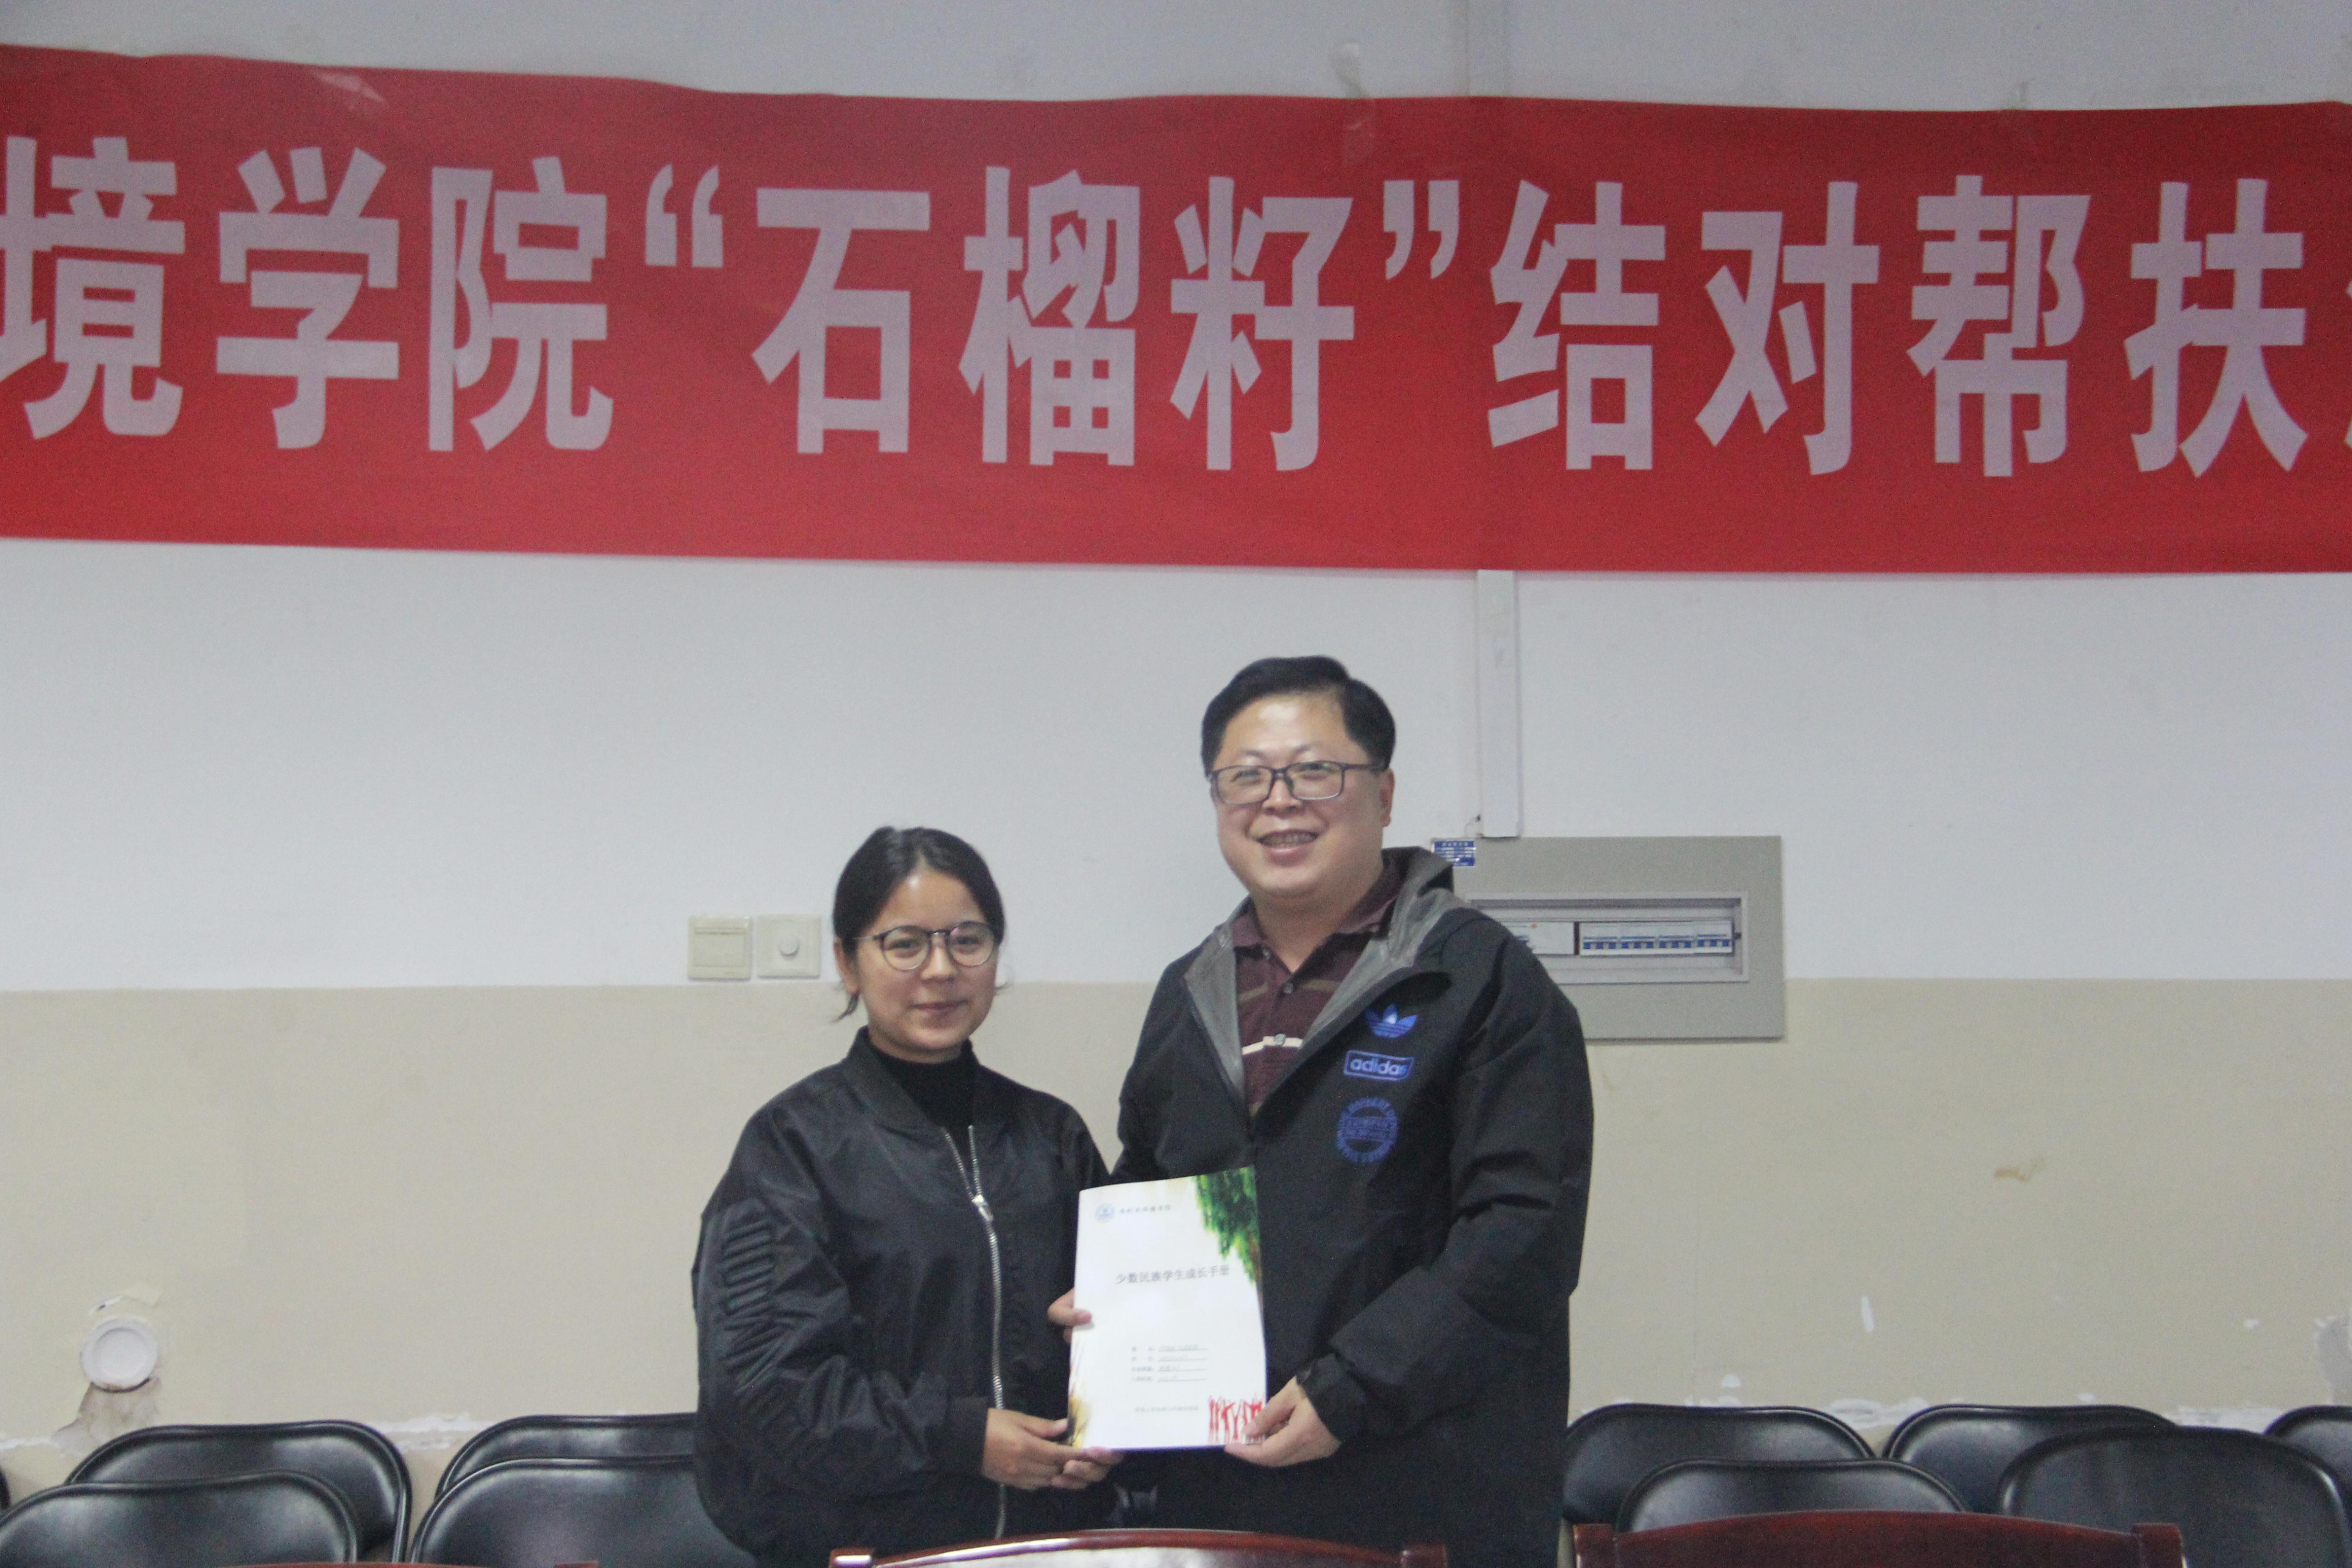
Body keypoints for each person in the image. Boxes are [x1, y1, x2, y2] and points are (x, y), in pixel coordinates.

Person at [1094, 656, 1594, 1568]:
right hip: (1222, 1496)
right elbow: (1149, 1192)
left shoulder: (1478, 979)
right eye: (1246, 777)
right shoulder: (1188, 992)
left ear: (1385, 793)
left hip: (1427, 1492)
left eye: (1314, 771)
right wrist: (1111, 1307)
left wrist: (1353, 1387)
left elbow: (1524, 1232)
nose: (1278, 802)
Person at [692, 826, 1118, 1568]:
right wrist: (962, 1438)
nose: (941, 969)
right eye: (905, 944)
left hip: (1048, 1546)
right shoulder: (793, 1146)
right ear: (847, 962)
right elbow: (766, 1388)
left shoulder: (1053, 1136)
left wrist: (1109, 1433)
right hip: (862, 1551)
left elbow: (1123, 1328)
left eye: (967, 940)